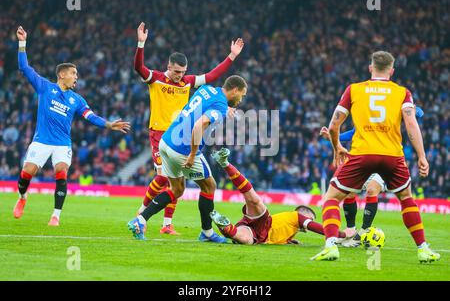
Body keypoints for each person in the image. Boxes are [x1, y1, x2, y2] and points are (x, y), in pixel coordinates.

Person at [311, 51, 440, 263]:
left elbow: (334, 125)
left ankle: (331, 246)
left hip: (362, 153)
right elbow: (411, 124)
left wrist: (337, 147)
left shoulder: (354, 90)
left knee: (332, 198)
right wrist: (422, 156)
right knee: (406, 199)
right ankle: (423, 248)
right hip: (392, 155)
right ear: (392, 70)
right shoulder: (402, 93)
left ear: (370, 68)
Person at [133, 22, 244, 235]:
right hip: (160, 133)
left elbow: (211, 77)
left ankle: (166, 223)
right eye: (176, 71)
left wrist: (231, 56)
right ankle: (142, 212)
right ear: (169, 66)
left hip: (180, 134)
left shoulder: (187, 82)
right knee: (164, 178)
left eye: (183, 72)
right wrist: (141, 43)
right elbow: (138, 68)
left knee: (177, 184)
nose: (179, 75)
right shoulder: (156, 79)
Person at [13, 26, 130, 226]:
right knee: (26, 174)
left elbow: (90, 117)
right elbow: (24, 68)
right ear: (62, 75)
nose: (76, 77)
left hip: (62, 143)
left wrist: (109, 124)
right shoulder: (44, 88)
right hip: (41, 141)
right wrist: (22, 43)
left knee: (61, 172)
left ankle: (55, 215)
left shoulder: (77, 100)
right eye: (73, 73)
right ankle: (23, 197)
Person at [127, 75, 248, 243]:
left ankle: (140, 220)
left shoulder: (207, 90)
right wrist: (192, 154)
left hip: (166, 142)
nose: (241, 99)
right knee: (209, 186)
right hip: (182, 150)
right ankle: (206, 233)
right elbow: (199, 125)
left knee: (177, 190)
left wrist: (224, 109)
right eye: (242, 95)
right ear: (234, 90)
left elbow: (200, 107)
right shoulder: (220, 106)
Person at [319, 105, 424, 247]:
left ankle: (363, 231)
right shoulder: (366, 116)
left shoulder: (391, 107)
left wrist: (409, 109)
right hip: (365, 158)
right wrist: (331, 137)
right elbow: (353, 133)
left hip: (388, 157)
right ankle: (350, 231)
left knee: (372, 189)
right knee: (349, 194)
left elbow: (419, 114)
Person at [209, 148, 348, 245]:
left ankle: (224, 225)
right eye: (310, 218)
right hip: (264, 222)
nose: (308, 223)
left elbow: (280, 233)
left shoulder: (291, 230)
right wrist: (343, 234)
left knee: (244, 239)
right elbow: (318, 228)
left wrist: (288, 240)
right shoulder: (296, 217)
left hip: (257, 234)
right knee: (254, 200)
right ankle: (225, 163)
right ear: (304, 214)